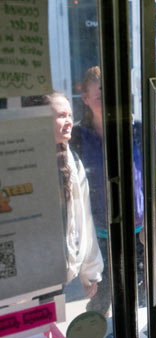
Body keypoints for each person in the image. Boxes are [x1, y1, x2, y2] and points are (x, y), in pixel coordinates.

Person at [71, 66, 156, 313]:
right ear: (85, 100)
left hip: (139, 235)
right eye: (100, 98)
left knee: (140, 301)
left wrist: (152, 202)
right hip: (97, 238)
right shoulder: (76, 136)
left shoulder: (141, 130)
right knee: (100, 301)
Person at [47, 92, 103, 301]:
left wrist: (90, 270)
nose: (69, 121)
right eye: (61, 115)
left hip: (57, 274)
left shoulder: (71, 160)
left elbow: (83, 218)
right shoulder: (27, 162)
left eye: (70, 115)